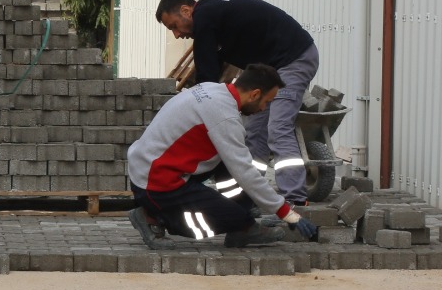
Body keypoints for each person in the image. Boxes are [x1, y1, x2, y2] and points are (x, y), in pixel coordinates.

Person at [126, 65, 320, 249]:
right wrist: (286, 212)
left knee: (229, 163)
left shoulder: (214, 90)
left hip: (148, 166)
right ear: (254, 94)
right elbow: (245, 172)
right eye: (266, 102)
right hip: (155, 183)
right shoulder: (224, 117)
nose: (263, 109)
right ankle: (152, 217)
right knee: (226, 218)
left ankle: (242, 221)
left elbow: (237, 165)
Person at [156, 0, 319, 205]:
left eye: (174, 26)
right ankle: (248, 198)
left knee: (278, 128)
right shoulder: (214, 17)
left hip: (293, 59)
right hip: (271, 67)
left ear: (186, 10)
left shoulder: (205, 17)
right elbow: (214, 76)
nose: (177, 35)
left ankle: (296, 200)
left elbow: (207, 82)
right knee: (255, 132)